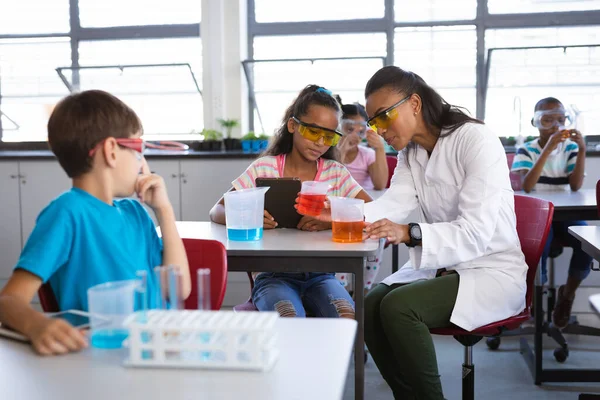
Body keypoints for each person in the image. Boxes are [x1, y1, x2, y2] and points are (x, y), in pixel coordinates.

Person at [353, 66, 527, 399]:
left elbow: (476, 231)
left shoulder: (475, 139)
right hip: (447, 266)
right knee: (371, 304)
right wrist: (339, 219)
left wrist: (410, 233)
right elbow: (394, 203)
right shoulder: (411, 153)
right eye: (374, 122)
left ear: (414, 103)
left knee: (399, 307)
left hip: (492, 269)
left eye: (385, 116)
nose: (380, 129)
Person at [0, 90, 190, 356]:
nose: (143, 163)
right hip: (104, 359)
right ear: (112, 150)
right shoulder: (67, 213)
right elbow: (8, 300)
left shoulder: (137, 213)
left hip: (157, 350)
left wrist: (164, 211)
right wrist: (36, 325)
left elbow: (178, 289)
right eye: (138, 149)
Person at [210, 85, 371, 318]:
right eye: (314, 132)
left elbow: (370, 208)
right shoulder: (265, 168)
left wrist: (329, 219)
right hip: (272, 275)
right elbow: (217, 209)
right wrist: (249, 215)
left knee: (346, 317)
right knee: (289, 318)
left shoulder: (335, 173)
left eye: (329, 136)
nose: (320, 142)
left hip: (322, 274)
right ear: (293, 125)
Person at [511, 97, 591, 328]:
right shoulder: (526, 149)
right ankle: (538, 296)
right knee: (540, 245)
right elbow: (527, 185)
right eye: (546, 120)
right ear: (535, 123)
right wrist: (547, 149)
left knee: (586, 240)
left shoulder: (571, 149)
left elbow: (575, 186)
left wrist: (583, 149)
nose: (554, 125)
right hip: (539, 215)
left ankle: (567, 294)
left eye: (559, 119)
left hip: (565, 214)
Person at [336, 99, 389, 191]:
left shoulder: (367, 155)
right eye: (350, 130)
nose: (355, 136)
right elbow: (332, 179)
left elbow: (380, 185)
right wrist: (342, 150)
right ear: (339, 128)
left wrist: (380, 148)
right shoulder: (330, 153)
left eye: (361, 132)